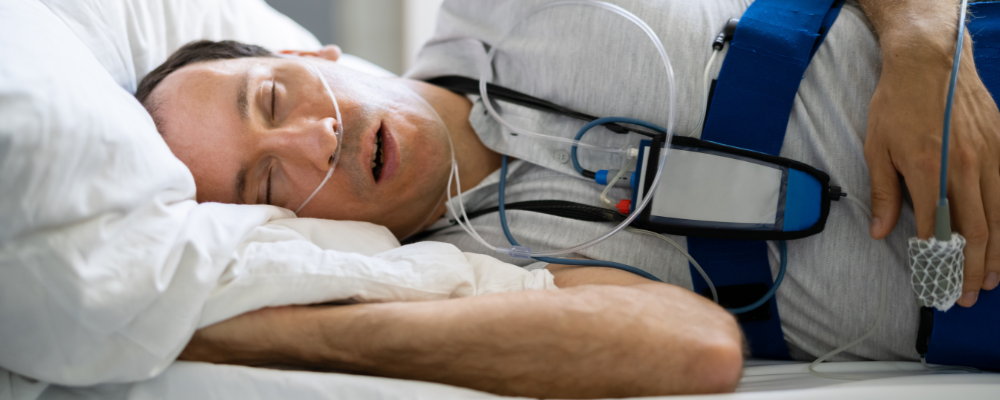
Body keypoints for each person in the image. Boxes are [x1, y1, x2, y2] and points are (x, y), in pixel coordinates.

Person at [134, 0, 1000, 397]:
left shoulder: (504, 10)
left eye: (273, 101)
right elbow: (697, 350)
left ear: (317, 58)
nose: (310, 142)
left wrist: (924, 34)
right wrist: (242, 336)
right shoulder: (470, 275)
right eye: (265, 182)